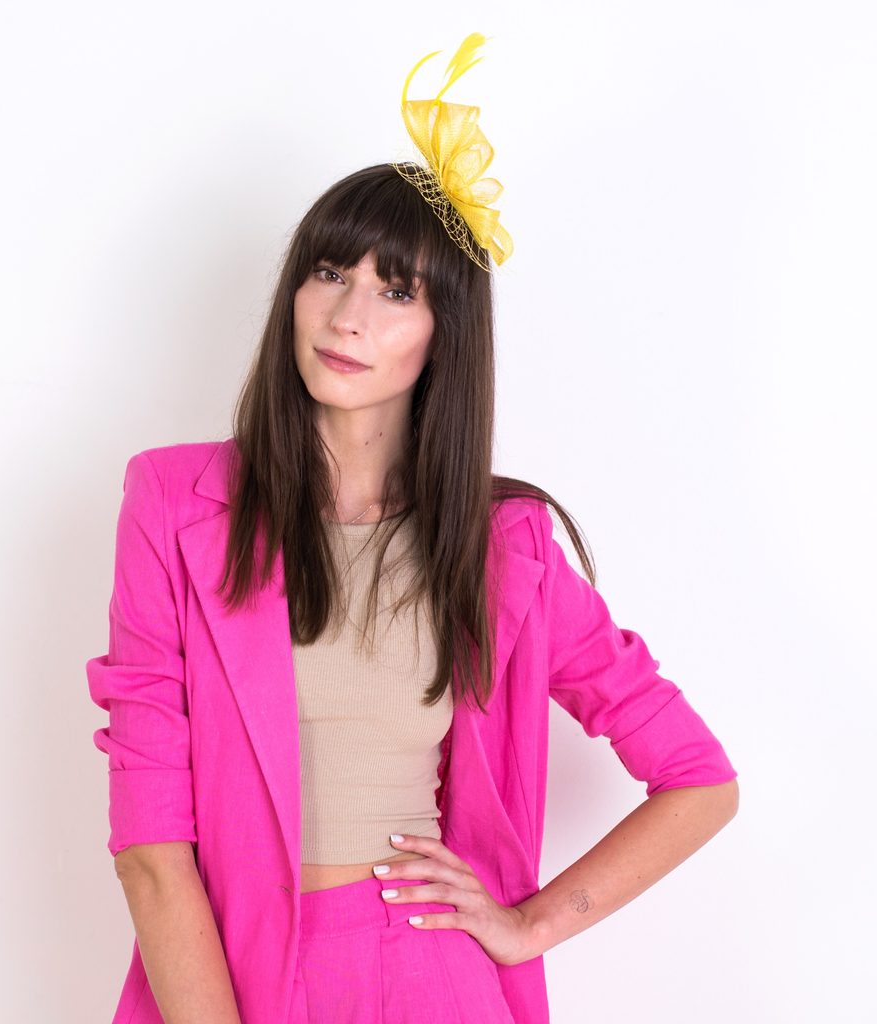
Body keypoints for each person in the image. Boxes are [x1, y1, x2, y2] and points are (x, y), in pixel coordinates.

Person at [86, 34, 739, 1024]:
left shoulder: (502, 548)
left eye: (396, 290)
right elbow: (149, 850)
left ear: (445, 333)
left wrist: (530, 924)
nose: (346, 315)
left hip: (429, 975)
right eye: (328, 273)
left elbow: (698, 779)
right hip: (229, 972)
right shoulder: (176, 503)